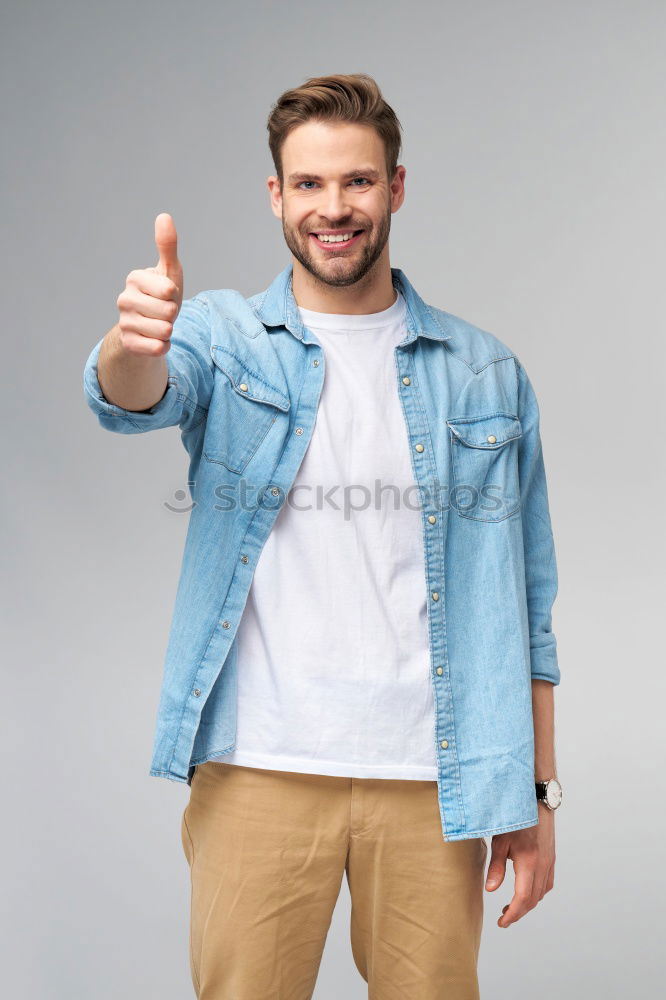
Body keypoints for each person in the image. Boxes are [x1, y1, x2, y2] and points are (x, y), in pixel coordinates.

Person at [82, 73, 562, 999]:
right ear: (276, 195)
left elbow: (530, 613)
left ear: (396, 187)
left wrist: (534, 799)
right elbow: (134, 398)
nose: (333, 208)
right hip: (261, 767)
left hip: (437, 781)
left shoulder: (485, 373)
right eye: (308, 184)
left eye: (357, 182)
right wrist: (130, 344)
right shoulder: (222, 336)